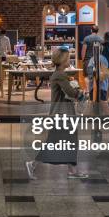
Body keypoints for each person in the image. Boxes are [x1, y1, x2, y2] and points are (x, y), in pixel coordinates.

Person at [25, 47, 88, 180]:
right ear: (63, 60)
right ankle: (33, 164)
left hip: (63, 112)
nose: (69, 60)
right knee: (56, 142)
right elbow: (71, 92)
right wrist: (81, 94)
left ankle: (72, 170)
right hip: (61, 114)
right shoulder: (60, 75)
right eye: (68, 58)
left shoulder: (60, 75)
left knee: (68, 141)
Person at [80, 26, 103, 95]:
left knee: (87, 76)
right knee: (97, 77)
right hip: (97, 61)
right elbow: (102, 50)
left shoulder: (87, 38)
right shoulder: (101, 39)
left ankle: (88, 91)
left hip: (88, 60)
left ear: (91, 30)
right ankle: (97, 93)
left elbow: (84, 50)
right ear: (97, 31)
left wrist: (83, 59)